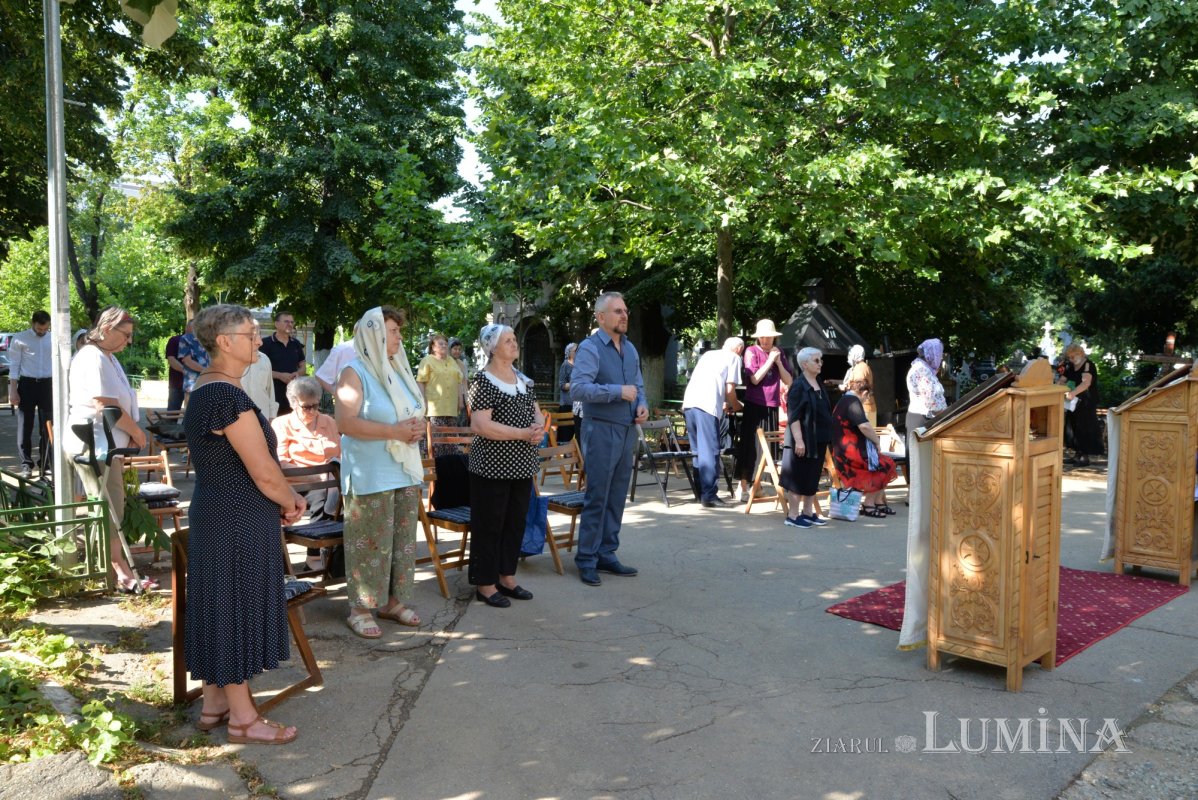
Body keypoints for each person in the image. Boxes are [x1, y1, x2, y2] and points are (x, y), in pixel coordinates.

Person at [183, 303, 304, 745]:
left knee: (222, 605)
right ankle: (243, 720)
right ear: (224, 341)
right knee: (233, 609)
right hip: (234, 517)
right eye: (251, 333)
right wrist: (292, 500)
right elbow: (264, 471)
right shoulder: (223, 395)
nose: (259, 339)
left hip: (224, 513)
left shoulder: (211, 389)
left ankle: (215, 703)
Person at [335, 306, 426, 638]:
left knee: (400, 543)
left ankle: (391, 601)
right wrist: (396, 432)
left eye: (399, 331)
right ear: (373, 333)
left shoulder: (398, 368)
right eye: (392, 331)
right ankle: (359, 608)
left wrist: (413, 429)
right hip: (370, 473)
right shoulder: (354, 372)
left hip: (403, 469)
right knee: (370, 541)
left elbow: (410, 411)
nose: (398, 337)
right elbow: (345, 423)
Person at [63, 307, 154, 594]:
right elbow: (106, 405)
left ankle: (107, 571)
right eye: (125, 335)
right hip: (94, 444)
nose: (129, 341)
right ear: (106, 329)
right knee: (108, 508)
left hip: (107, 444)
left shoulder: (106, 356)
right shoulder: (92, 357)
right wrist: (137, 433)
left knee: (111, 505)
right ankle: (120, 573)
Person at [569, 291, 646, 586]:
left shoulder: (631, 349)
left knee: (616, 497)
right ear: (601, 317)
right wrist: (617, 391)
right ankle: (586, 558)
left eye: (625, 311)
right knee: (598, 496)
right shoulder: (590, 348)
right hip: (599, 429)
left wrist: (642, 405)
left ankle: (607, 553)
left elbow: (638, 386)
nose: (624, 315)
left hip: (626, 429)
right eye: (617, 311)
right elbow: (578, 389)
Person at [467, 324, 545, 607]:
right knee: (490, 525)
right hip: (491, 466)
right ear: (492, 348)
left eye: (514, 339)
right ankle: (486, 584)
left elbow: (537, 415)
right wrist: (523, 434)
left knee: (515, 522)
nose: (515, 344)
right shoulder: (483, 381)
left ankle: (507, 576)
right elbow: (480, 424)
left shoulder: (522, 379)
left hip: (522, 464)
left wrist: (538, 429)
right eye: (508, 340)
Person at [900, 337, 948, 651]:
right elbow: (932, 402)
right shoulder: (920, 370)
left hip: (930, 422)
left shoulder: (922, 368)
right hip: (924, 423)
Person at [682, 337, 744, 508]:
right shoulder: (734, 358)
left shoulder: (708, 355)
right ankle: (709, 495)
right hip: (707, 406)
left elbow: (709, 382)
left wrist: (723, 402)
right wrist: (737, 405)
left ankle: (700, 492)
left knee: (697, 450)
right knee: (710, 450)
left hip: (689, 404)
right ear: (739, 349)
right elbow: (729, 389)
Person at [735, 320, 793, 502]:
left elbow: (789, 380)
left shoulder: (779, 353)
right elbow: (754, 379)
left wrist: (779, 363)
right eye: (761, 336)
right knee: (749, 446)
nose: (764, 340)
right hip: (754, 404)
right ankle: (742, 486)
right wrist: (769, 361)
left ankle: (758, 485)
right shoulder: (751, 351)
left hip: (772, 404)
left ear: (774, 337)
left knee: (768, 448)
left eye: (768, 336)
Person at [780, 347, 833, 528]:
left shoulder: (818, 382)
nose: (820, 364)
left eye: (821, 360)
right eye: (816, 360)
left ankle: (808, 513)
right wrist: (799, 440)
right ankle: (793, 516)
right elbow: (793, 415)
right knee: (798, 476)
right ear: (804, 364)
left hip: (818, 437)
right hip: (802, 439)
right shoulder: (798, 385)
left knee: (812, 476)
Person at [831, 377, 897, 517]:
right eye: (868, 396)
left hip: (844, 450)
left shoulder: (844, 400)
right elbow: (864, 426)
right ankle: (868, 504)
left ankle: (878, 501)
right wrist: (877, 442)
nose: (867, 399)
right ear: (864, 392)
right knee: (885, 465)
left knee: (885, 463)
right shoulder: (853, 401)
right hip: (849, 453)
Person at [8, 310, 53, 478]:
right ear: (32, 323)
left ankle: (46, 463)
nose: (42, 332)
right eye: (39, 329)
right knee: (25, 426)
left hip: (48, 384)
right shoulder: (20, 338)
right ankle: (26, 464)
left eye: (45, 329)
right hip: (27, 384)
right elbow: (14, 365)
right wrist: (13, 390)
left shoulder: (53, 337)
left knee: (48, 426)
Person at [416, 333, 464, 456]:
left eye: (445, 344)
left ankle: (450, 469)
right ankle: (436, 470)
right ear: (433, 347)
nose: (444, 346)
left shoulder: (452, 361)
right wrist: (423, 402)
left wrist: (460, 399)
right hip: (435, 408)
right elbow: (420, 382)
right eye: (440, 343)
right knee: (436, 443)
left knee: (451, 442)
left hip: (451, 408)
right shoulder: (427, 361)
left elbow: (459, 381)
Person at [259, 310, 306, 415]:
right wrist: (280, 376)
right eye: (286, 321)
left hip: (293, 393)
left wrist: (297, 374)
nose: (290, 324)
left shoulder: (296, 344)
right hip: (272, 393)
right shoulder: (265, 343)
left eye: (292, 322)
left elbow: (303, 367)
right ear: (276, 324)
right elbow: (259, 369)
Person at [1062, 343, 1102, 467]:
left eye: (1073, 356)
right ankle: (1077, 454)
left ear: (1081, 353)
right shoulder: (1070, 366)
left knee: (1084, 427)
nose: (1071, 359)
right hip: (1073, 402)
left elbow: (1086, 383)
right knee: (1072, 426)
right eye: (1069, 357)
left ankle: (1085, 457)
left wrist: (1072, 393)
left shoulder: (1088, 365)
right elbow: (1063, 379)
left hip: (1086, 401)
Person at [839, 345, 877, 427]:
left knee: (865, 436)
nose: (849, 356)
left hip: (864, 407)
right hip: (866, 407)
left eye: (851, 353)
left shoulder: (860, 368)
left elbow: (859, 386)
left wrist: (845, 387)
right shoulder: (862, 366)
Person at [177, 322, 210, 405]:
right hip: (193, 384)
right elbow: (187, 361)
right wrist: (207, 371)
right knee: (192, 413)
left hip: (209, 382)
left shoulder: (209, 339)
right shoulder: (186, 339)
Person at [241, 349, 278, 419]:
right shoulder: (232, 359)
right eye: (252, 337)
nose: (259, 342)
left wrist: (272, 416)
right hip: (239, 418)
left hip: (263, 416)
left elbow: (270, 390)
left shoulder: (264, 358)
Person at [555, 343, 577, 443]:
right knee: (565, 434)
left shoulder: (580, 366)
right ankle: (564, 454)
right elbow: (562, 385)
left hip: (578, 405)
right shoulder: (565, 365)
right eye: (576, 351)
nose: (578, 353)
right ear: (569, 353)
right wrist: (575, 384)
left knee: (575, 433)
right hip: (567, 404)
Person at [164, 322, 188, 412]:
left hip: (195, 385)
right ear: (186, 328)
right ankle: (170, 426)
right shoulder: (175, 340)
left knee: (191, 414)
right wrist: (188, 371)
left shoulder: (201, 343)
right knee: (172, 412)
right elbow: (171, 360)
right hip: (177, 384)